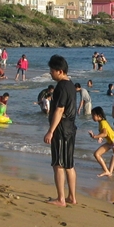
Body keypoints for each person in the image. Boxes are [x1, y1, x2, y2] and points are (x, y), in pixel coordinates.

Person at [43, 55, 77, 206]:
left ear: (60, 71)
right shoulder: (71, 85)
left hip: (62, 128)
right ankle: (72, 197)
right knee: (69, 164)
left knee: (58, 164)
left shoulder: (62, 87)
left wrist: (51, 131)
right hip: (71, 127)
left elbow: (59, 109)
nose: (50, 73)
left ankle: (61, 198)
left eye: (52, 70)